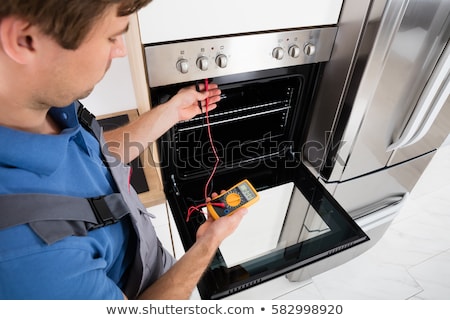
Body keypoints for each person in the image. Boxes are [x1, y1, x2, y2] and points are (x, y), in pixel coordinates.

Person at [0, 0, 246, 299]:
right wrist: (208, 243)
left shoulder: (46, 102)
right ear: (23, 40)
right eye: (111, 36)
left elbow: (94, 158)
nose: (121, 50)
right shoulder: (29, 258)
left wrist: (170, 112)